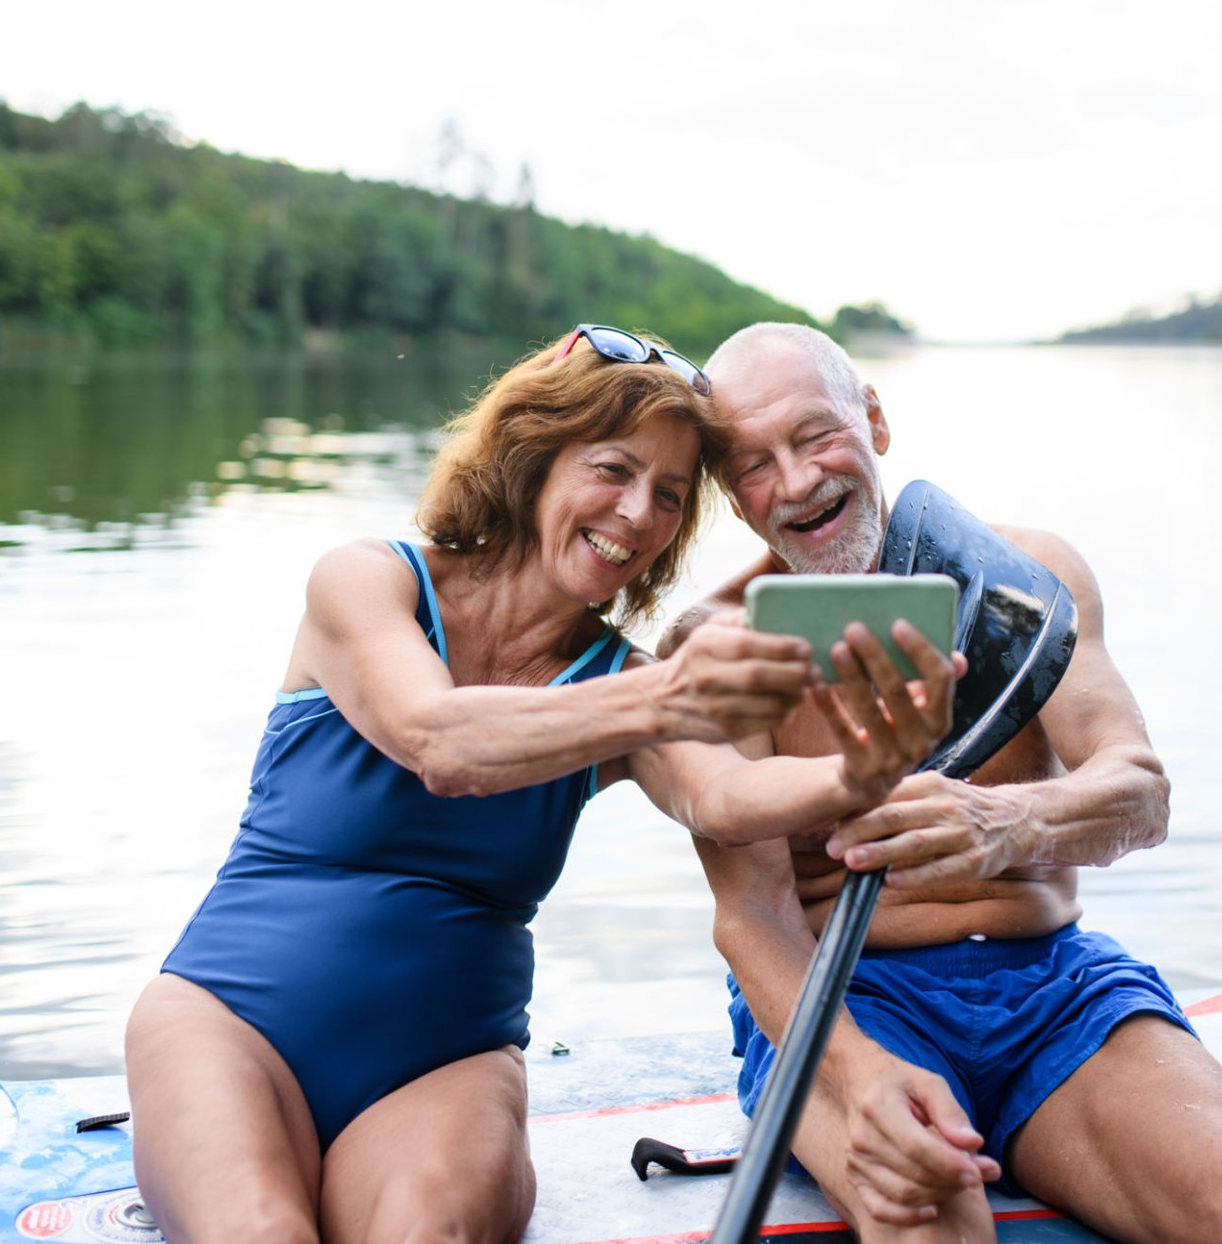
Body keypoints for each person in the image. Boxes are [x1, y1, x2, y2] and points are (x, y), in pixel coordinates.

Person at [123, 324, 961, 1244]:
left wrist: (859, 769)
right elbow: (436, 740)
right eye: (613, 470)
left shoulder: (629, 679)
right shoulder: (368, 582)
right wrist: (663, 701)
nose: (639, 514)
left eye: (671, 496)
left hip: (443, 1062)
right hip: (232, 1018)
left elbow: (724, 800)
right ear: (534, 461)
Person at [665, 322, 1222, 1242]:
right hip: (843, 1000)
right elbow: (751, 918)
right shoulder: (718, 646)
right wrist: (857, 1075)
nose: (798, 481)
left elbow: (1139, 793)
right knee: (928, 1210)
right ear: (733, 500)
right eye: (752, 464)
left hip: (1054, 987)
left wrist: (1011, 822)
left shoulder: (1029, 578)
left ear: (875, 421)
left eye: (815, 435)